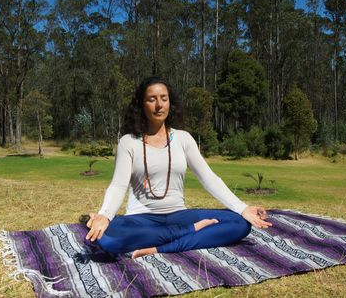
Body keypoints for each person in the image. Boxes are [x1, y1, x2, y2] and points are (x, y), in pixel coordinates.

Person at [85, 76, 271, 259]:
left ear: (170, 103)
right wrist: (105, 215)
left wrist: (242, 208)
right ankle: (190, 232)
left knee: (240, 223)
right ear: (142, 105)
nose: (159, 105)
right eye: (152, 99)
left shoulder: (183, 138)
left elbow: (209, 178)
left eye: (164, 99)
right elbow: (118, 185)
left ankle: (159, 248)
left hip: (179, 214)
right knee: (107, 239)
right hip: (141, 219)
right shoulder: (128, 142)